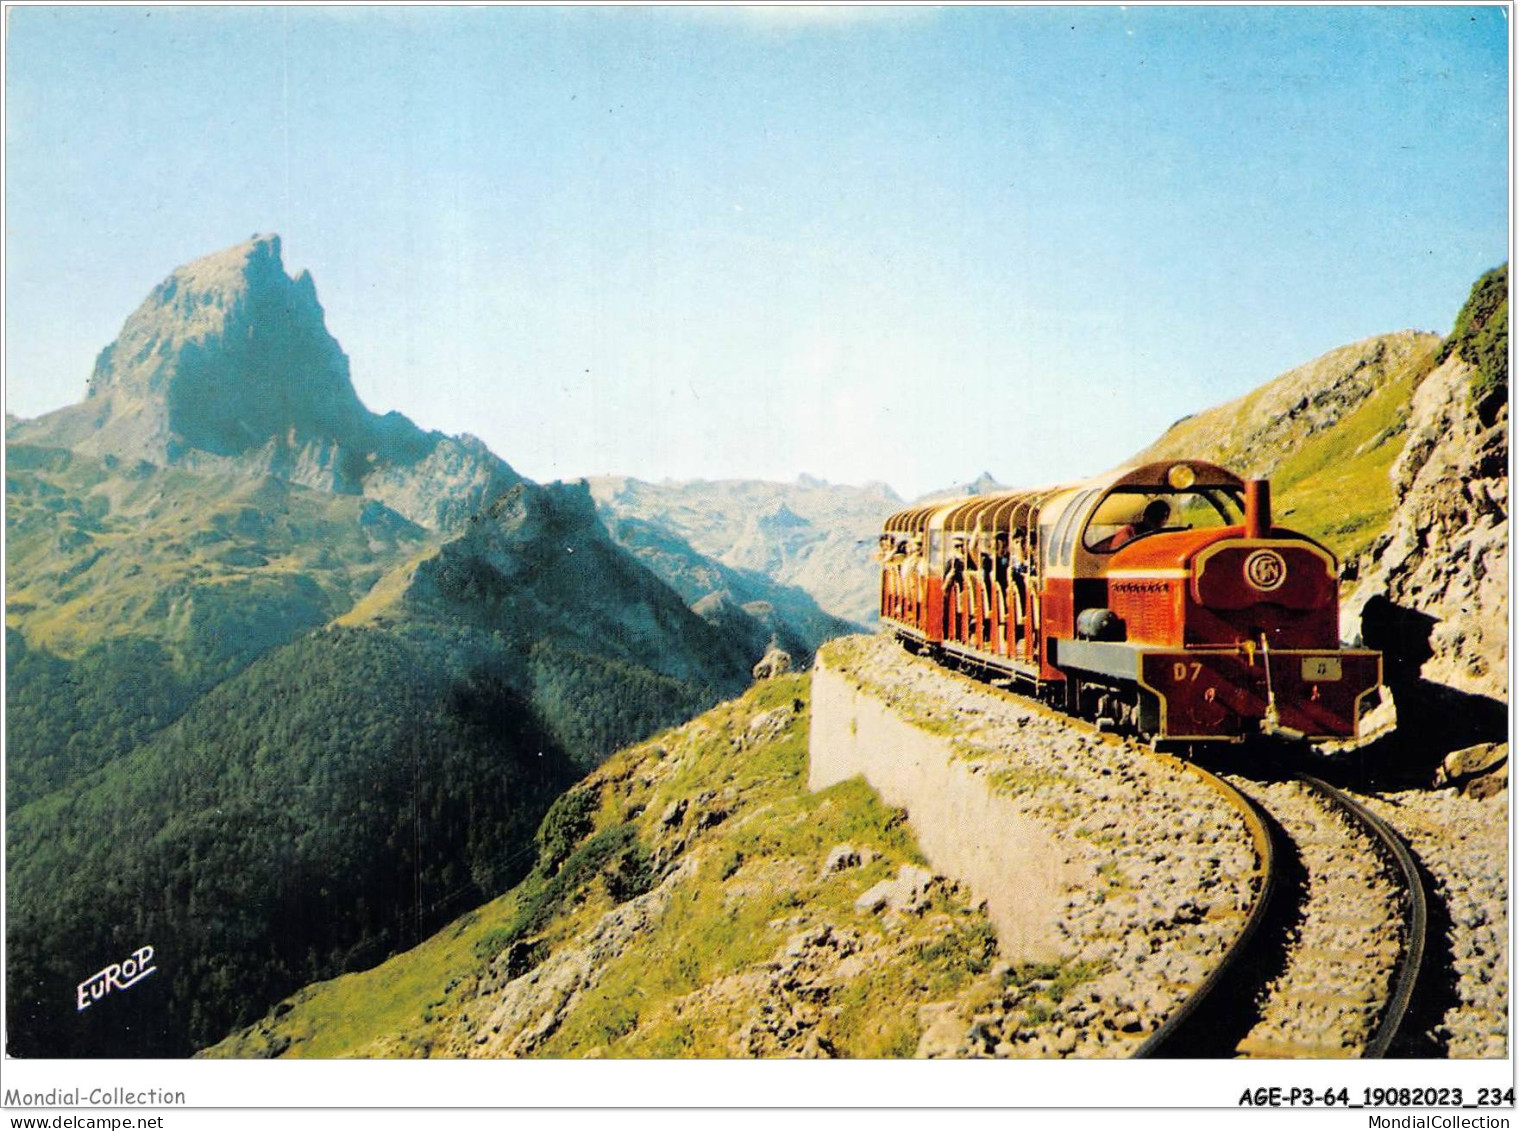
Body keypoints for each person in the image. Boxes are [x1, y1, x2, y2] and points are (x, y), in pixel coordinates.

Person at [1094, 498, 1172, 552]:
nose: (1158, 521)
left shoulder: (1162, 536)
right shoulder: (1127, 534)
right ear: (1145, 516)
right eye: (1154, 516)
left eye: (1163, 517)